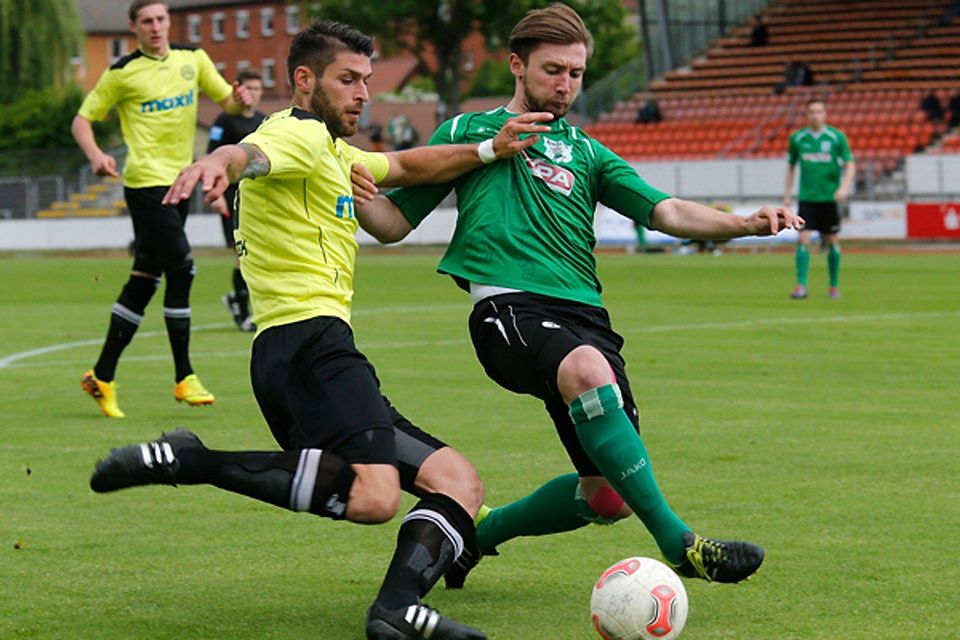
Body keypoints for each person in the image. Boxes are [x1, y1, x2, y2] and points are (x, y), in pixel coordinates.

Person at [89, 19, 552, 640]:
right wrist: (220, 161)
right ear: (305, 81)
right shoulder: (297, 134)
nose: (363, 92)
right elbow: (250, 154)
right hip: (310, 344)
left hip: (307, 353)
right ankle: (194, 460)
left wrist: (491, 148)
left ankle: (396, 610)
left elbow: (408, 165)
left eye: (366, 79)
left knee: (458, 483)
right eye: (348, 80)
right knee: (376, 496)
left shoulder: (336, 150)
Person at [352, 3, 803, 589]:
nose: (565, 85)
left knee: (607, 496)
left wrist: (744, 222)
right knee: (588, 371)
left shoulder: (589, 153)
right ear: (517, 65)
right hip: (508, 310)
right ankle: (680, 544)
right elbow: (392, 224)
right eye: (553, 70)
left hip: (586, 318)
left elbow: (665, 210)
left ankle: (477, 536)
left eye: (576, 73)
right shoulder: (467, 135)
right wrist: (352, 183)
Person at [72, 0, 254, 417]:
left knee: (144, 279)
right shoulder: (122, 73)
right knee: (183, 267)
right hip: (145, 184)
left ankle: (101, 375)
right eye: (147, 21)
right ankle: (184, 376)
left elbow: (228, 103)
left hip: (182, 181)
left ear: (168, 22)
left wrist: (240, 99)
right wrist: (97, 155)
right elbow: (82, 120)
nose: (156, 27)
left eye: (161, 19)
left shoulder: (194, 59)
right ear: (134, 27)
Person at [206, 68, 267, 332]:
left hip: (260, 198)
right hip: (233, 197)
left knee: (259, 256)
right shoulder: (224, 121)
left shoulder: (266, 122)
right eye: (248, 88)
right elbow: (211, 157)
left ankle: (236, 299)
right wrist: (215, 195)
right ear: (238, 90)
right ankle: (243, 312)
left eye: (256, 89)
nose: (252, 94)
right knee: (242, 255)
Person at [784, 99, 855, 300]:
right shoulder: (798, 138)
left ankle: (833, 286)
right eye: (812, 112)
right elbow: (790, 167)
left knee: (831, 240)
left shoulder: (836, 137)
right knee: (803, 238)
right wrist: (787, 195)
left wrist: (843, 188)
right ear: (807, 115)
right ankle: (801, 286)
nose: (815, 115)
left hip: (828, 198)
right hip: (807, 197)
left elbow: (850, 164)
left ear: (825, 114)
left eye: (819, 111)